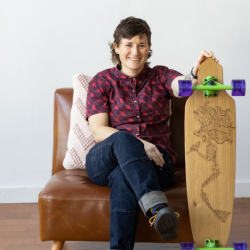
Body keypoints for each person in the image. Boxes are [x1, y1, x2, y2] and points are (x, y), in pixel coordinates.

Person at [85, 16, 219, 250]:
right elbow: (98, 131)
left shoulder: (160, 75)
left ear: (149, 48)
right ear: (116, 47)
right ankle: (157, 208)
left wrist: (194, 75)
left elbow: (181, 87)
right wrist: (140, 143)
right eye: (128, 44)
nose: (135, 51)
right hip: (104, 160)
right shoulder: (102, 81)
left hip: (157, 164)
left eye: (142, 44)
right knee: (122, 138)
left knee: (122, 177)